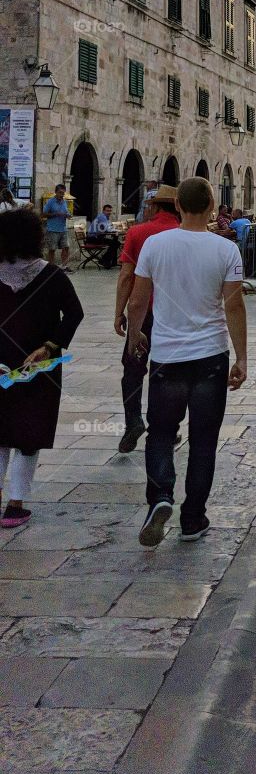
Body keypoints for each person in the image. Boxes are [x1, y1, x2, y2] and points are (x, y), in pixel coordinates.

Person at [127, 176, 247, 547]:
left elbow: (137, 299)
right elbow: (234, 305)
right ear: (213, 207)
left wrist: (135, 335)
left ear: (177, 205)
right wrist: (241, 357)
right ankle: (193, 519)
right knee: (204, 441)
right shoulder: (226, 250)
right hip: (210, 356)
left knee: (161, 432)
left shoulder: (154, 245)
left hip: (166, 356)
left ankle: (161, 497)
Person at [0, 209, 84, 527]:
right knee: (28, 434)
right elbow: (74, 313)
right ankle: (16, 504)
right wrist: (50, 345)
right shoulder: (52, 276)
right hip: (39, 366)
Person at [113, 185, 181, 453]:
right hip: (176, 316)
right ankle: (167, 428)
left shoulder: (137, 232)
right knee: (169, 373)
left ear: (153, 206)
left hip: (144, 314)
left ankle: (133, 421)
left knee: (133, 368)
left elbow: (126, 276)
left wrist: (120, 312)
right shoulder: (189, 234)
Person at [42, 183, 71, 270]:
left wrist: (68, 215)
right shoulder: (50, 202)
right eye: (60, 193)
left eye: (63, 193)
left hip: (63, 229)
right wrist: (56, 214)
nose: (61, 195)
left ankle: (64, 266)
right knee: (52, 249)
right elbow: (43, 214)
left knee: (66, 248)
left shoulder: (64, 202)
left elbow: (66, 212)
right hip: (53, 229)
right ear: (56, 192)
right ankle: (51, 267)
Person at [86, 203, 121, 268]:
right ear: (103, 211)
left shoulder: (106, 218)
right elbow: (107, 229)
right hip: (93, 238)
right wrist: (115, 231)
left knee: (116, 243)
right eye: (107, 211)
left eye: (110, 211)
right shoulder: (102, 217)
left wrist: (114, 230)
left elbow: (109, 227)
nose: (109, 212)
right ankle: (104, 260)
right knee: (115, 243)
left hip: (97, 237)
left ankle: (110, 261)